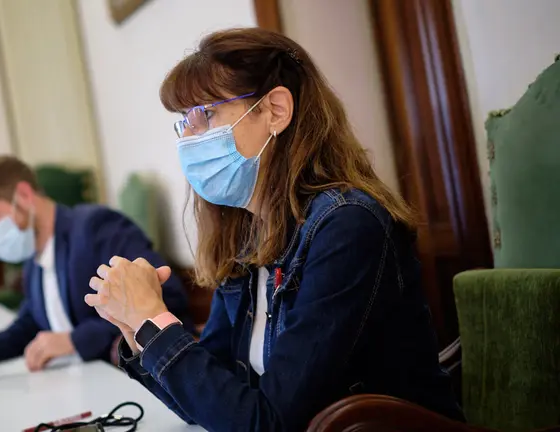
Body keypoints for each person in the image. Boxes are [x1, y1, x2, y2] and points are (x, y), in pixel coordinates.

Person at [84, 28, 464, 431]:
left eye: (206, 115)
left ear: (276, 110)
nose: (189, 140)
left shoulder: (349, 224)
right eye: (185, 122)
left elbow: (270, 423)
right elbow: (209, 401)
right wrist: (135, 326)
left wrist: (154, 319)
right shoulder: (246, 236)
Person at [0, 156, 193, 388]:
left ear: (23, 195)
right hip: (83, 388)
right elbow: (21, 332)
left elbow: (168, 298)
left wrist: (75, 340)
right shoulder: (35, 260)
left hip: (140, 384)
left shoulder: (96, 227)